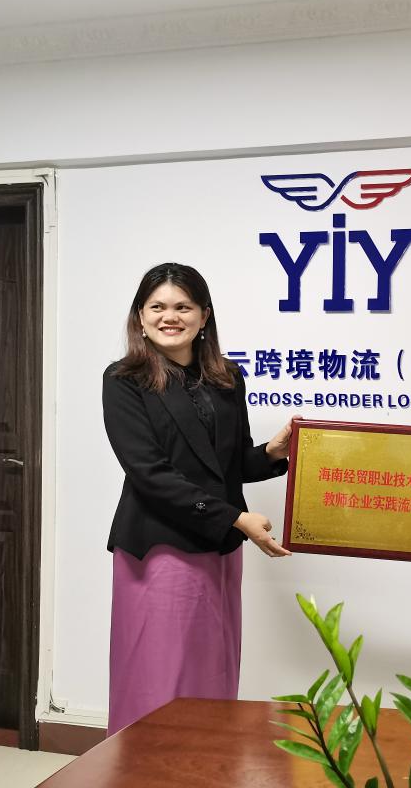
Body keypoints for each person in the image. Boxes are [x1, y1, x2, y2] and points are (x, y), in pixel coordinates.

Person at [102, 262, 294, 736]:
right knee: (158, 679)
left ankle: (205, 768)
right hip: (160, 548)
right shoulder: (124, 379)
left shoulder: (227, 377)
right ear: (140, 316)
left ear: (204, 315)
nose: (170, 317)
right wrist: (236, 518)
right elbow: (150, 474)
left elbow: (228, 464)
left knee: (213, 674)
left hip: (220, 548)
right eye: (157, 307)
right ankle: (143, 769)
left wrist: (271, 453)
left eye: (183, 307)